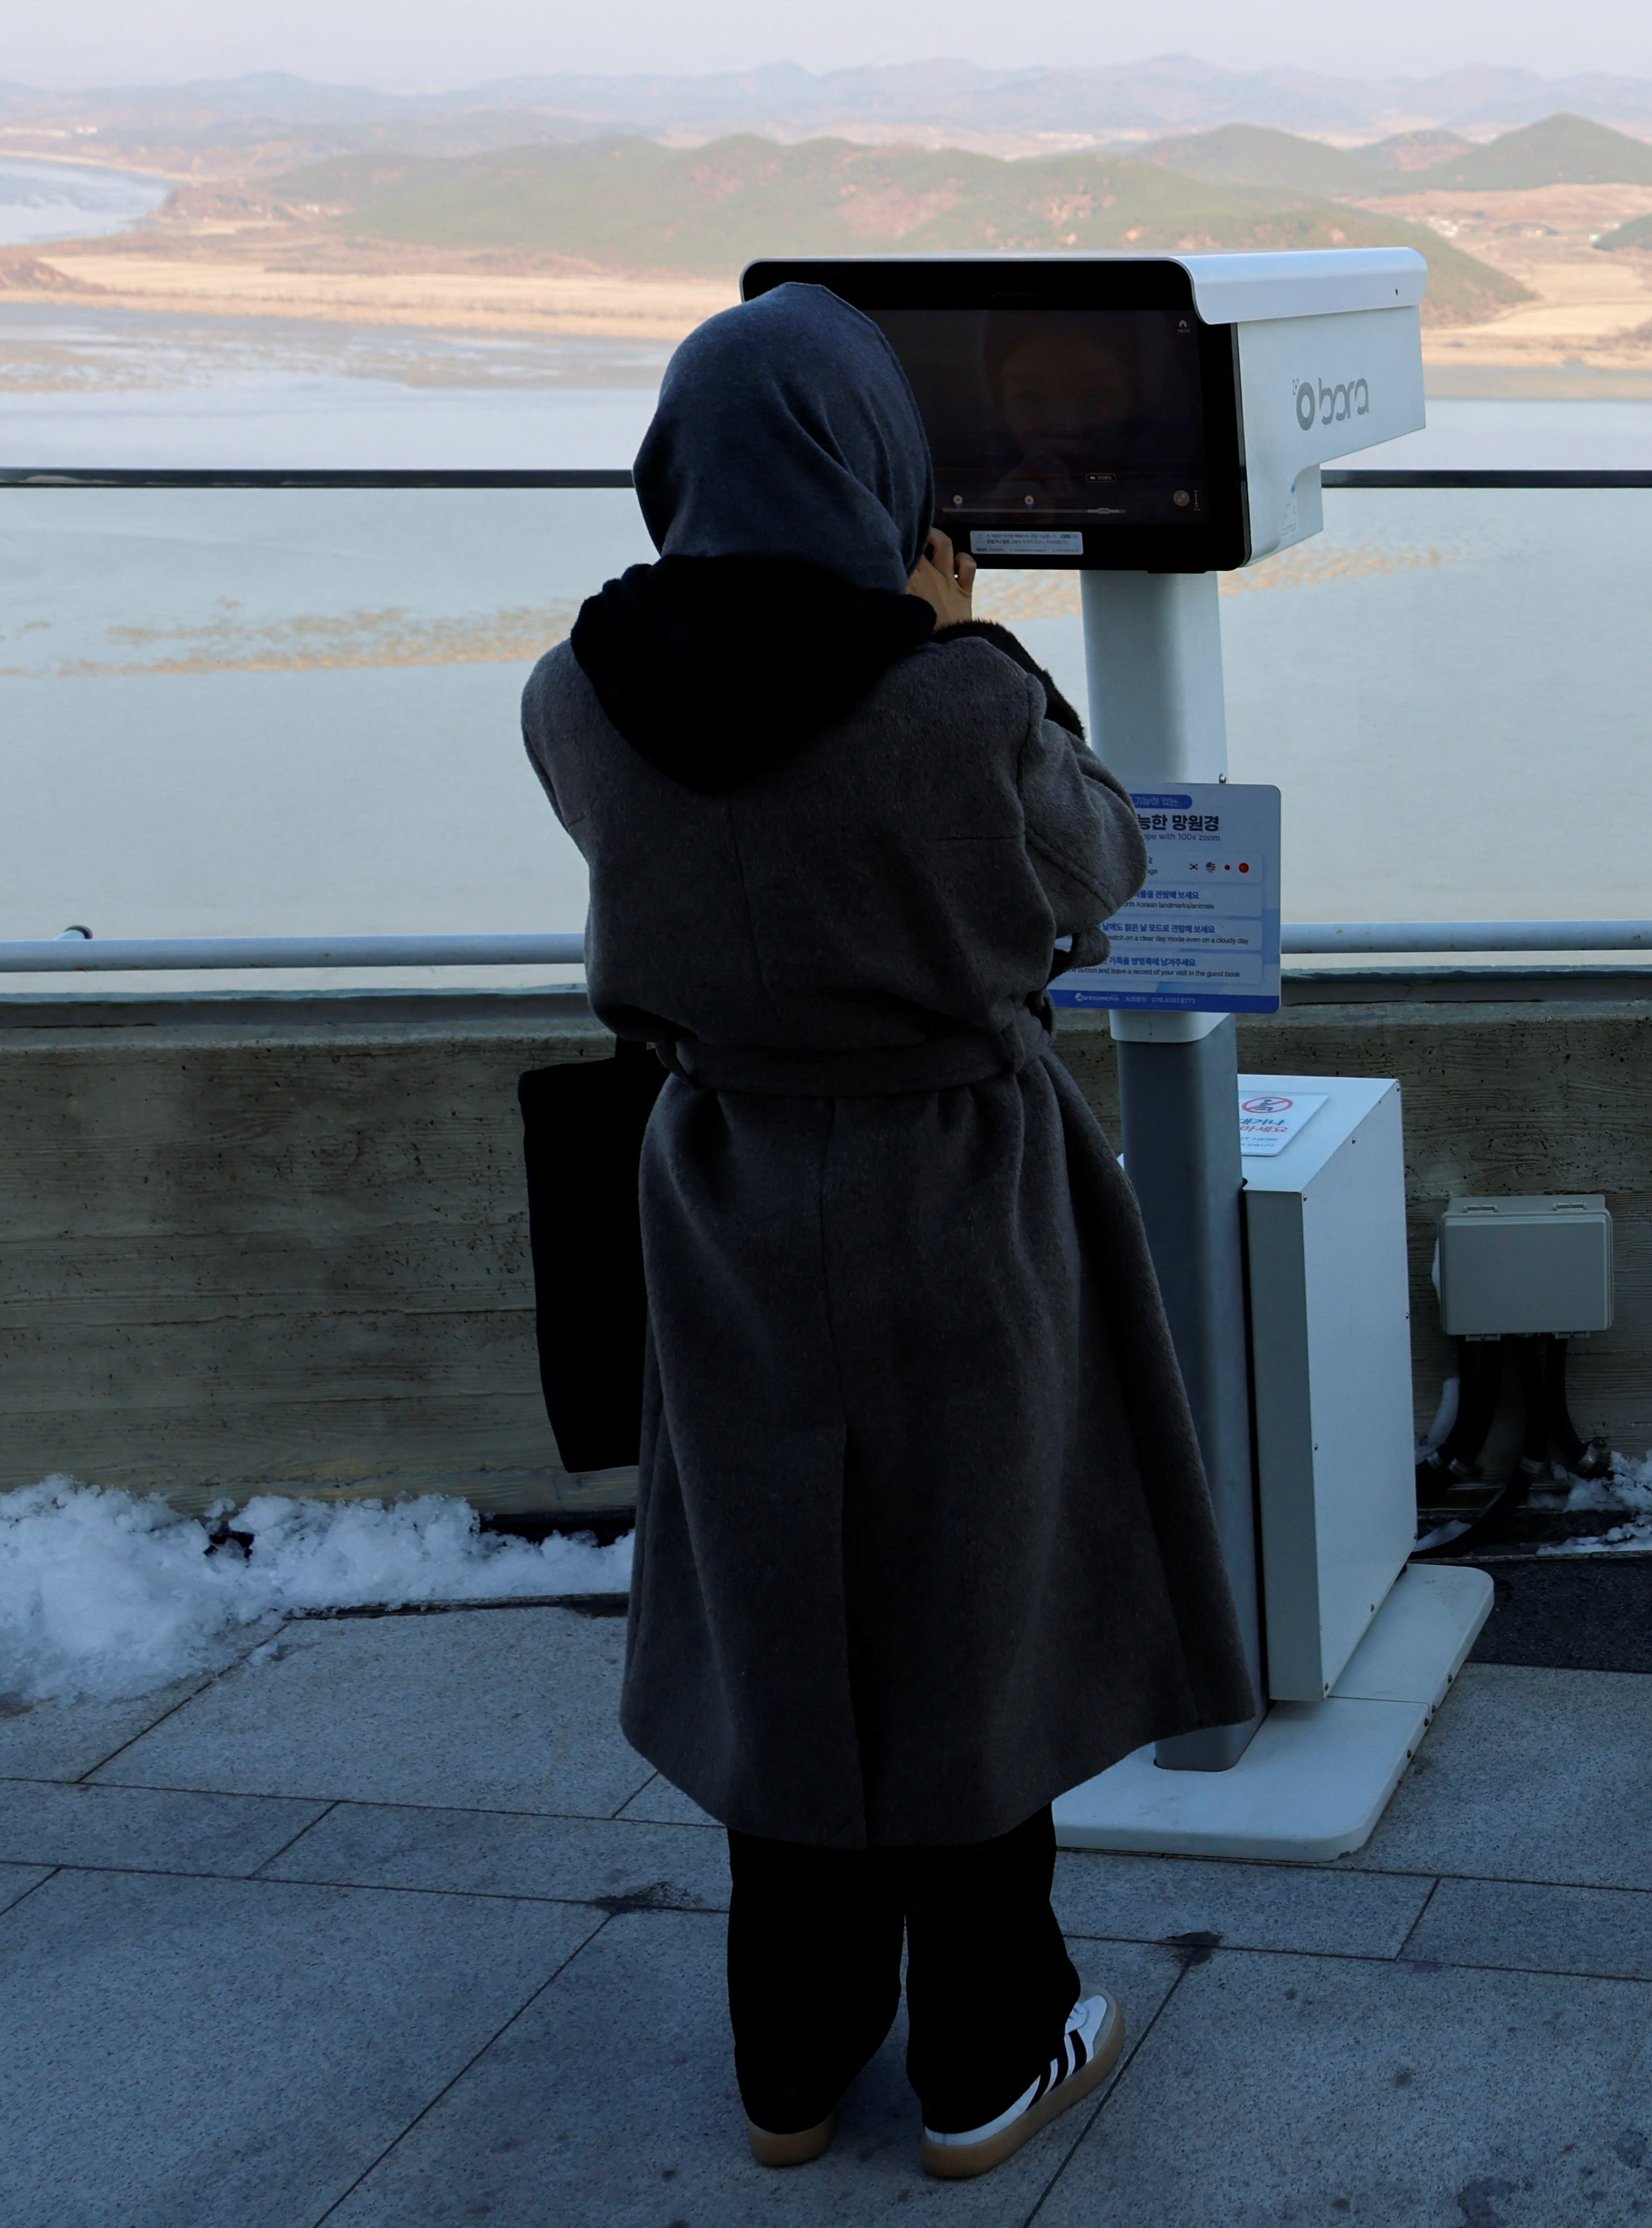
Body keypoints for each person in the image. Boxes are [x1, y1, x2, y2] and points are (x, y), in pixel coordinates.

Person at [523, 282, 1258, 2181]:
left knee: (787, 1618)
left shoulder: (574, 697)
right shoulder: (956, 698)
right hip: (957, 1196)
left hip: (728, 1194)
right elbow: (1100, 866)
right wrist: (966, 641)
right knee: (972, 1615)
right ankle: (983, 2061)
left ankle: (789, 2061)